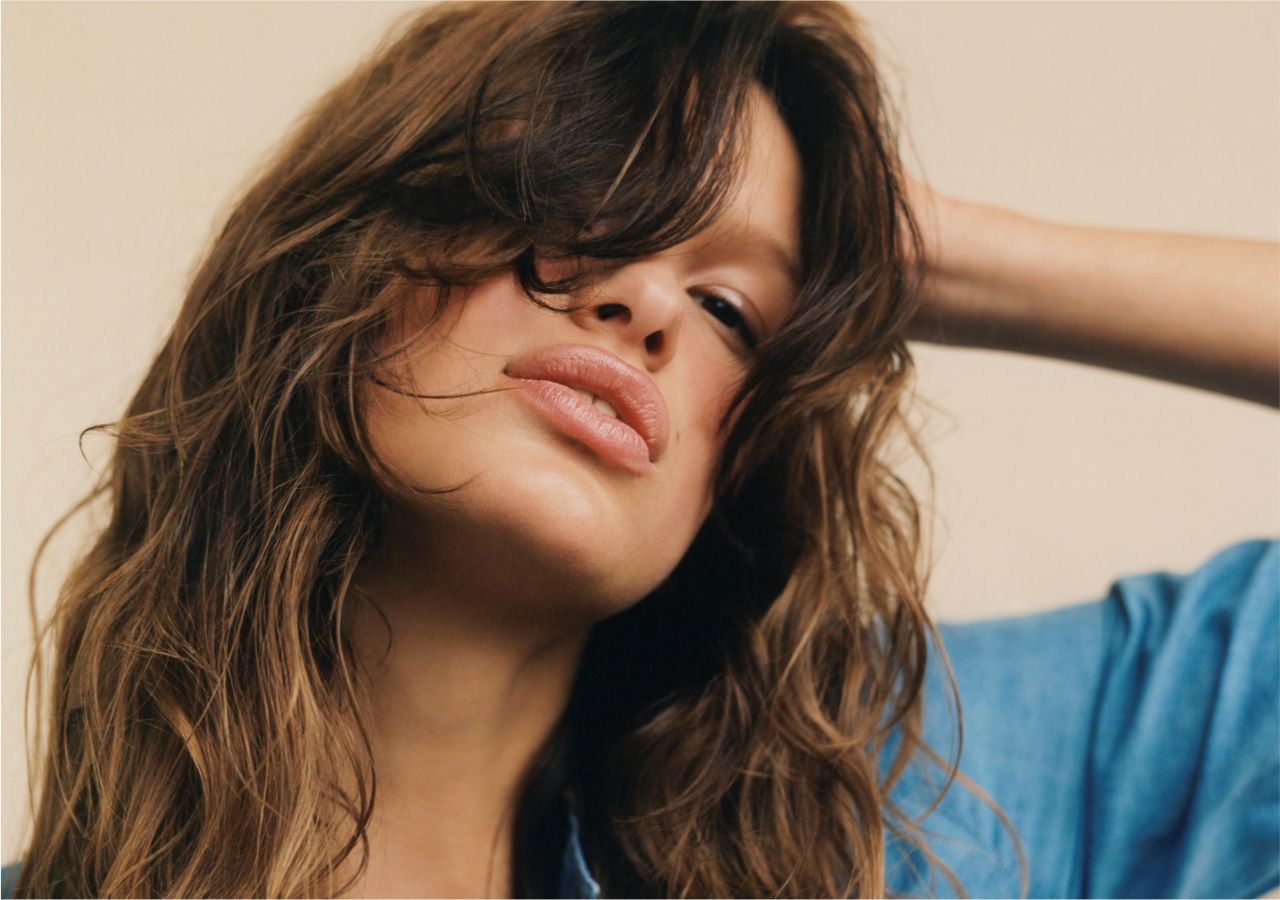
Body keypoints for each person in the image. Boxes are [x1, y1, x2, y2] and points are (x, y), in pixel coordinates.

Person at [4, 2, 1277, 897]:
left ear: (742, 460)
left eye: (728, 309)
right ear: (343, 266)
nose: (650, 303)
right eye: (571, 202)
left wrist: (917, 254)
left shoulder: (909, 830)